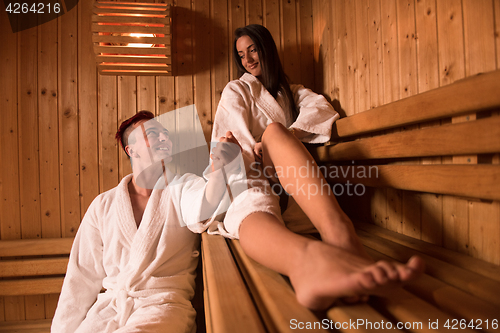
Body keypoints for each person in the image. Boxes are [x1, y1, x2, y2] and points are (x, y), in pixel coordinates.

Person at [211, 24, 425, 310]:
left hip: (292, 179)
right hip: (252, 176)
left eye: (253, 50)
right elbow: (228, 137)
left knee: (275, 131)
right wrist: (250, 150)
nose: (248, 60)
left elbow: (321, 110)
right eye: (241, 55)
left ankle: (341, 237)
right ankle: (306, 263)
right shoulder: (236, 89)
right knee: (251, 200)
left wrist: (289, 134)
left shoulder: (293, 92)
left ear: (266, 49)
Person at [51, 111, 241, 333]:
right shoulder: (103, 205)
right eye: (152, 133)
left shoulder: (182, 188)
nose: (164, 138)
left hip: (163, 306)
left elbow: (205, 204)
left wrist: (219, 170)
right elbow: (81, 276)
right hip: (111, 308)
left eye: (165, 134)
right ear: (130, 150)